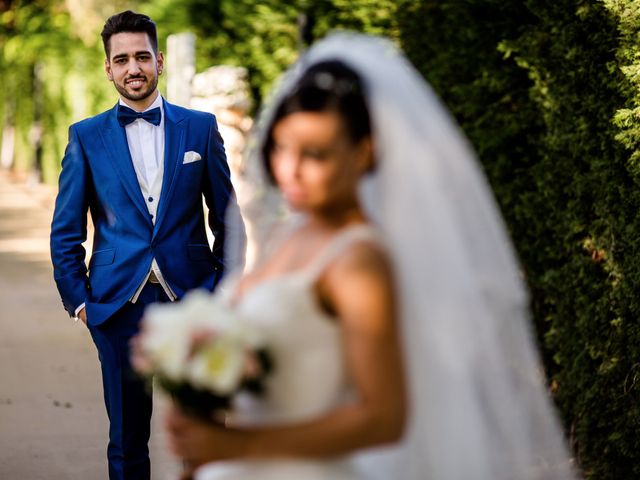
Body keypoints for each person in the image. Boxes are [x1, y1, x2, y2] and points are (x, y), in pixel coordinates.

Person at [163, 33, 579, 480]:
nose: (291, 170)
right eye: (282, 148)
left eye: (315, 153)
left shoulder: (359, 258)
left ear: (365, 151)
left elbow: (384, 418)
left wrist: (239, 445)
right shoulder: (287, 234)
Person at [49, 10, 244, 480]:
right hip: (117, 308)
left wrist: (223, 292)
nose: (132, 68)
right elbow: (65, 231)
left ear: (159, 61)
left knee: (206, 436)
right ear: (108, 68)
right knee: (128, 443)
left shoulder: (199, 128)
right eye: (121, 60)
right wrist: (81, 304)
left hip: (195, 302)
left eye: (141, 56)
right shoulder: (86, 137)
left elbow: (229, 220)